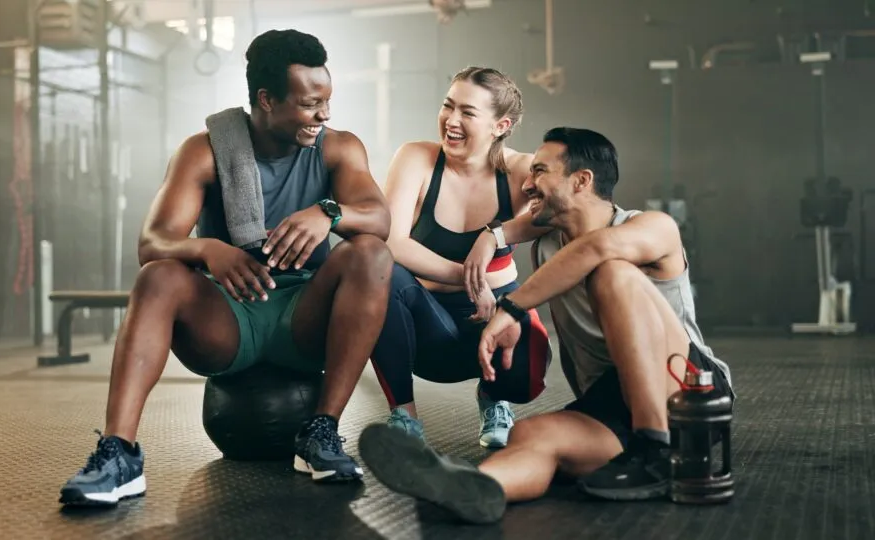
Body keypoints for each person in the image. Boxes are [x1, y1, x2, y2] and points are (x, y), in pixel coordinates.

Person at [59, 29, 394, 507]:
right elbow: (152, 242)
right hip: (230, 318)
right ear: (266, 99)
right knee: (158, 275)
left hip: (304, 313)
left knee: (371, 254)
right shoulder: (204, 150)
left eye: (326, 100)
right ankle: (120, 455)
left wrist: (329, 212)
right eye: (309, 103)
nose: (324, 114)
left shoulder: (338, 148)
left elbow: (379, 218)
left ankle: (321, 433)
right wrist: (208, 249)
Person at [358, 127, 735, 524]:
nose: (527, 183)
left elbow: (595, 247)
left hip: (691, 391)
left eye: (540, 171)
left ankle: (655, 448)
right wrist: (492, 235)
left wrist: (512, 307)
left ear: (582, 180)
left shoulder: (652, 227)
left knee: (611, 275)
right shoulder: (549, 244)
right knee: (531, 438)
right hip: (613, 404)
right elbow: (534, 227)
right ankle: (473, 485)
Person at [369, 66, 552, 449]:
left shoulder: (522, 169)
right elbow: (393, 241)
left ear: (500, 125)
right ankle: (405, 417)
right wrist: (470, 279)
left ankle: (494, 398)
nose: (451, 120)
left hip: (494, 318)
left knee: (527, 369)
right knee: (380, 272)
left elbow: (560, 211)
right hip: (424, 325)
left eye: (467, 113)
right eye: (448, 106)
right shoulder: (416, 158)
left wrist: (494, 235)